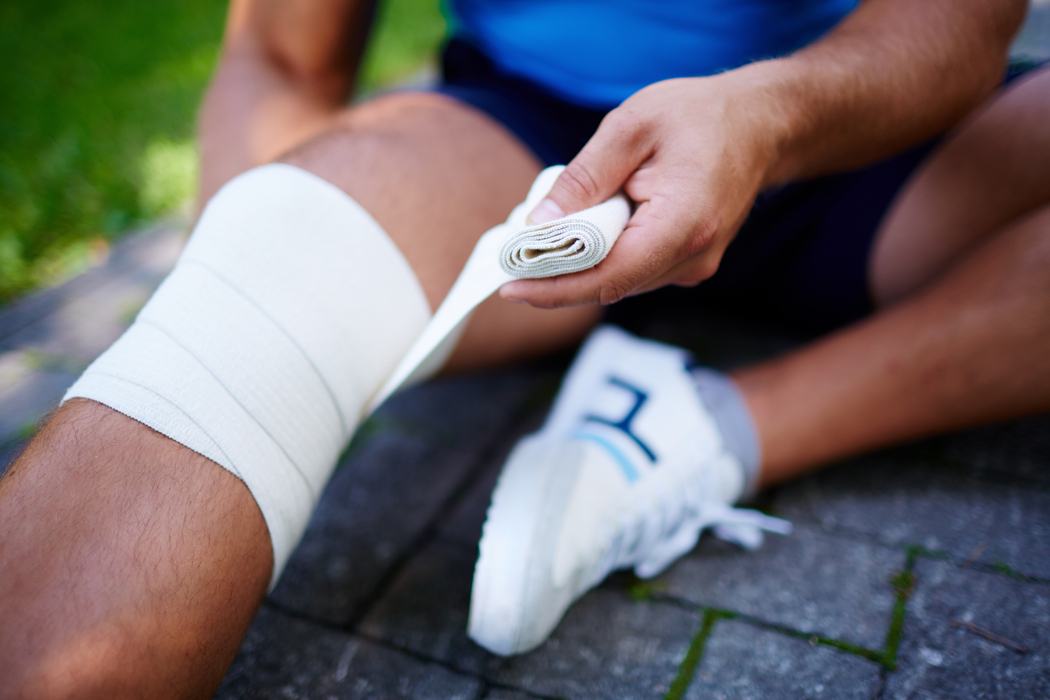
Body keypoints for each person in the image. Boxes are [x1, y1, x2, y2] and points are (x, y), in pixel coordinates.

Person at [1, 0, 1047, 695]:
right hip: (533, 147)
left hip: (858, 128)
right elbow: (279, 52)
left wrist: (766, 118)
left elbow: (956, 31)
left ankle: (711, 428)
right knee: (277, 265)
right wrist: (249, 297)